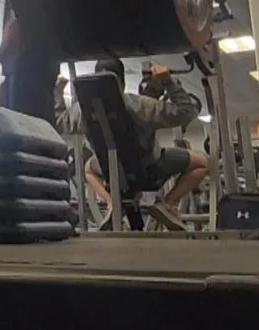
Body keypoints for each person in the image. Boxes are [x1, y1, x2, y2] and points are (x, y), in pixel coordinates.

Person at [77, 56, 208, 227]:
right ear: (122, 82)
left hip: (110, 171)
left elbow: (55, 121)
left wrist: (57, 92)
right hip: (150, 170)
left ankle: (112, 204)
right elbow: (187, 112)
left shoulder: (80, 110)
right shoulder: (140, 105)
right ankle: (166, 204)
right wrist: (168, 82)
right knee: (203, 163)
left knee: (88, 169)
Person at [0, 0, 60, 130]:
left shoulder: (24, 10)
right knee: (38, 129)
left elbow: (9, 37)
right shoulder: (45, 17)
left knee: (16, 126)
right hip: (35, 78)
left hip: (24, 78)